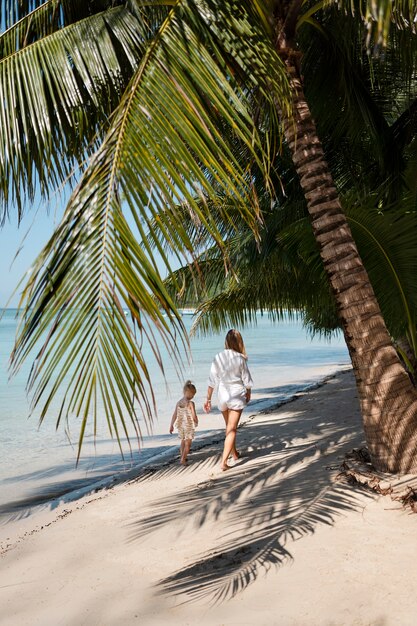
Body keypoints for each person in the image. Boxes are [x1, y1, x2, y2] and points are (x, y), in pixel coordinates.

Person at [204, 329, 253, 471]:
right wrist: (248, 392)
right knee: (232, 429)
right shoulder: (240, 358)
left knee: (229, 428)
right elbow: (247, 380)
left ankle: (235, 453)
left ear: (226, 341)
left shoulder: (218, 357)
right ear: (239, 342)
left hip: (223, 395)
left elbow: (212, 380)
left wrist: (208, 399)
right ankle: (224, 462)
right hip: (236, 395)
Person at [169, 380, 199, 465]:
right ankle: (183, 459)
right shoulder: (190, 403)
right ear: (188, 392)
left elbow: (175, 415)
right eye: (193, 394)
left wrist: (171, 425)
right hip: (188, 425)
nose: (193, 396)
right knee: (188, 444)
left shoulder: (179, 402)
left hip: (181, 425)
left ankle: (183, 457)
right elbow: (193, 415)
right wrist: (196, 420)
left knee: (182, 441)